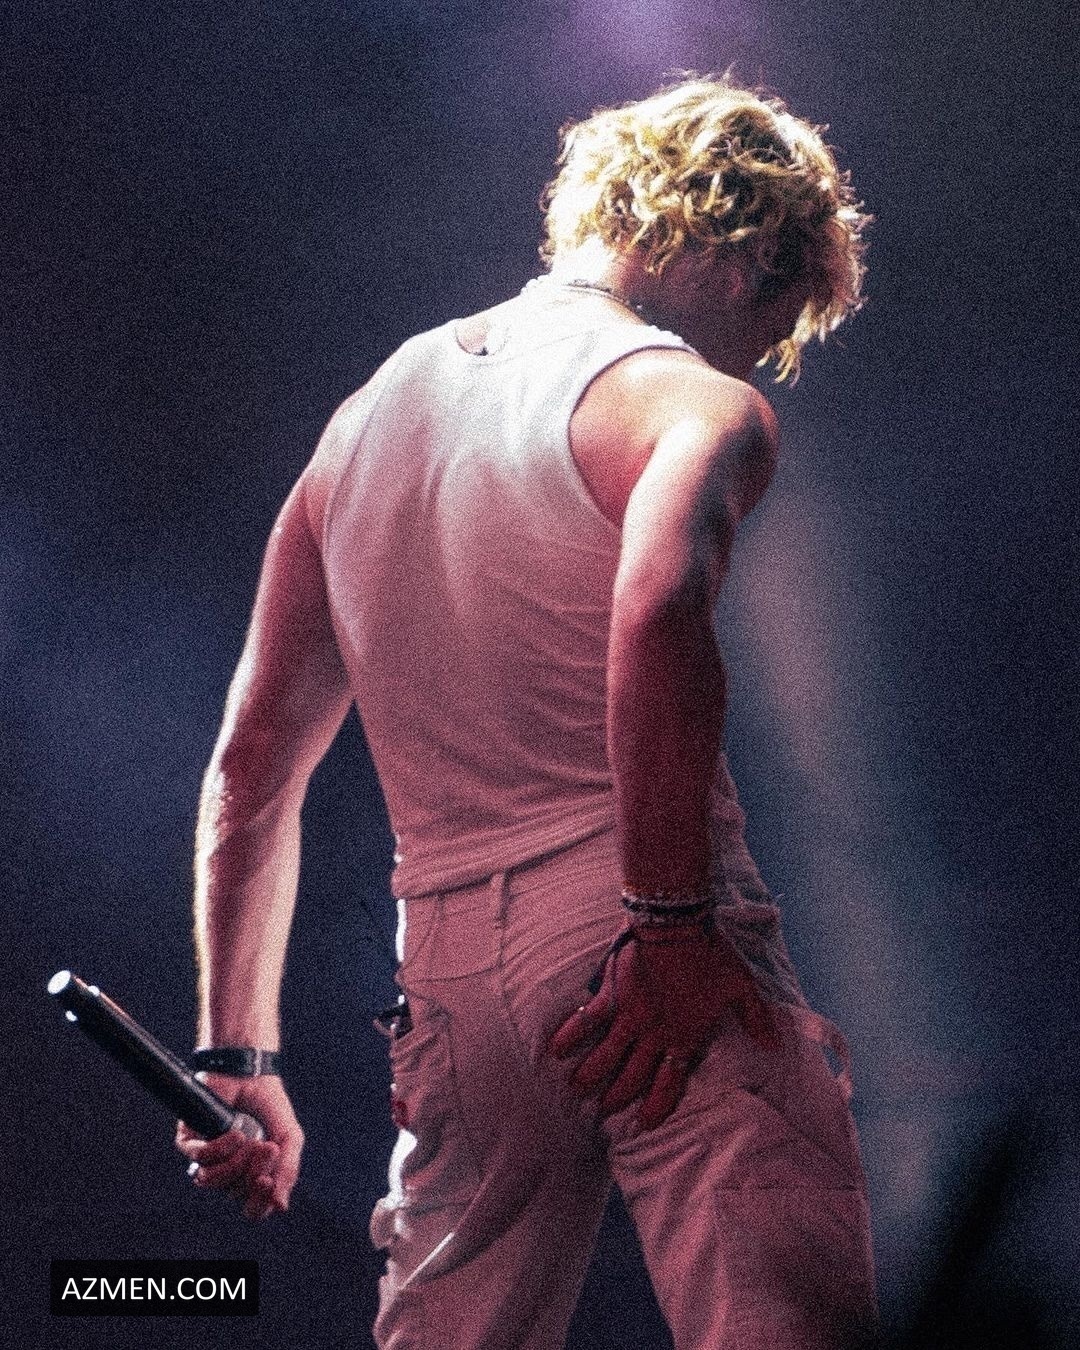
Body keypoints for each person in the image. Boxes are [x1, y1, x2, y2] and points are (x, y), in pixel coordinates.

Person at [176, 75, 877, 1349]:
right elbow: (658, 612)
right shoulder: (690, 403)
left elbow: (251, 765)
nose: (752, 361)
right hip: (637, 914)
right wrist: (670, 924)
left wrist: (239, 1057)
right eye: (772, 323)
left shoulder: (362, 424)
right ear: (745, 255)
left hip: (446, 975)